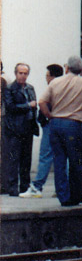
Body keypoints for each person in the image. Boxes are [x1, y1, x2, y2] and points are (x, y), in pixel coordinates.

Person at [37, 56, 82, 207]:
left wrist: (49, 115)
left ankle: (63, 196)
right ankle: (76, 194)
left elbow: (41, 101)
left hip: (55, 123)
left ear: (67, 68)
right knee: (75, 160)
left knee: (59, 161)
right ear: (81, 69)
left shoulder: (55, 81)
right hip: (72, 124)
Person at [19, 65, 63, 198]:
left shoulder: (52, 89)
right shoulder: (64, 88)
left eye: (47, 75)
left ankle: (37, 187)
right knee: (61, 156)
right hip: (62, 125)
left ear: (52, 76)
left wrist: (46, 116)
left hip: (50, 125)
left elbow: (43, 103)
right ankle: (63, 187)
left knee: (45, 155)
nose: (46, 78)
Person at [2, 63, 40, 196]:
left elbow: (35, 105)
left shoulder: (30, 88)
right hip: (15, 128)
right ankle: (12, 187)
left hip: (28, 127)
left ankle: (25, 186)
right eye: (20, 73)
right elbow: (11, 107)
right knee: (14, 159)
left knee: (26, 159)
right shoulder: (10, 88)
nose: (23, 76)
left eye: (25, 73)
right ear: (15, 73)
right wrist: (28, 105)